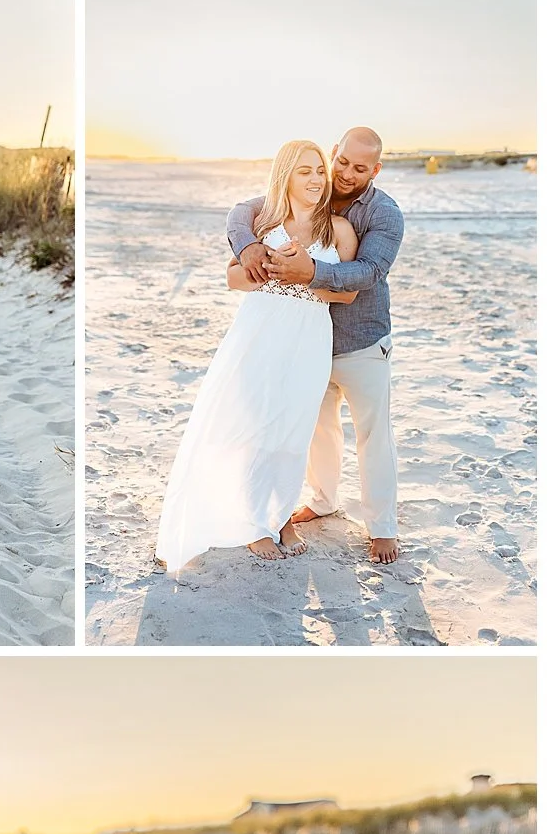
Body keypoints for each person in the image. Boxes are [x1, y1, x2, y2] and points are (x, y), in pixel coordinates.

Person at [155, 140, 358, 575]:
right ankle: (253, 523)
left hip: (309, 335)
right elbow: (232, 278)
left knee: (294, 427)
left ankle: (282, 515)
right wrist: (266, 268)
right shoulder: (263, 224)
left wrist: (303, 275)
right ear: (285, 175)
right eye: (304, 171)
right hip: (261, 332)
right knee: (256, 425)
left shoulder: (337, 229)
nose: (316, 179)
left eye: (320, 171)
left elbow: (348, 291)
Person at [229, 127, 405, 563]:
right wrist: (248, 245)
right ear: (334, 154)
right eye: (341, 162)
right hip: (306, 346)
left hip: (362, 339)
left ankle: (381, 527)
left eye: (360, 168)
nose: (346, 174)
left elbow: (366, 274)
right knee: (315, 431)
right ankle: (322, 500)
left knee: (373, 435)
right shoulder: (315, 192)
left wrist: (307, 275)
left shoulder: (384, 213)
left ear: (376, 170)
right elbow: (243, 210)